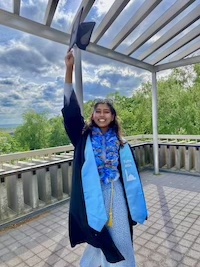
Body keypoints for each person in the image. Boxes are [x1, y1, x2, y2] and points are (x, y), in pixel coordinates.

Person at [62, 51, 148, 267]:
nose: (102, 115)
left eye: (106, 111)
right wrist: (69, 70)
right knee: (98, 237)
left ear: (113, 115)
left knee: (120, 237)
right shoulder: (83, 138)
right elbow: (71, 113)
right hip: (93, 194)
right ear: (92, 116)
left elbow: (131, 175)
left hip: (116, 193)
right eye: (98, 111)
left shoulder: (121, 143)